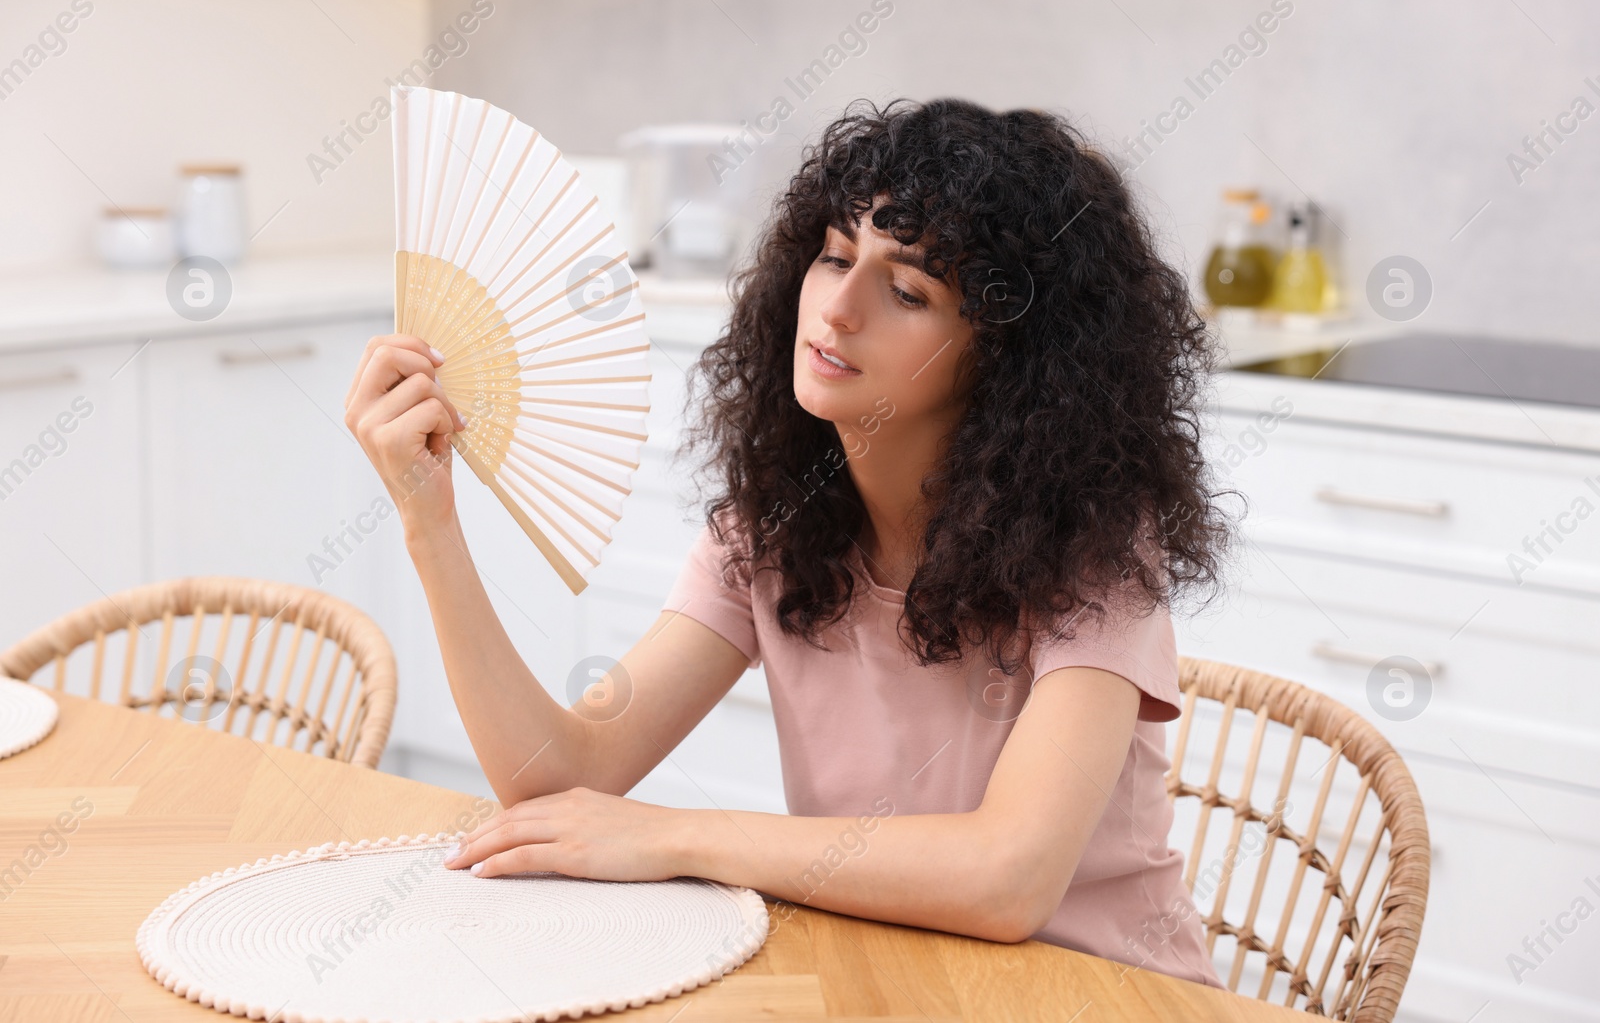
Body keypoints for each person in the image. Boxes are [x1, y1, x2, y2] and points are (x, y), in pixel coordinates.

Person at [343, 97, 1231, 988]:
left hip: (1107, 992)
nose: (839, 308)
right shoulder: (773, 529)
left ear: (1008, 357)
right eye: (836, 255)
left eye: (908, 290)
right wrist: (429, 518)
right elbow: (562, 779)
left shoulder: (1097, 550)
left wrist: (675, 832)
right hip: (885, 973)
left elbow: (1009, 879)